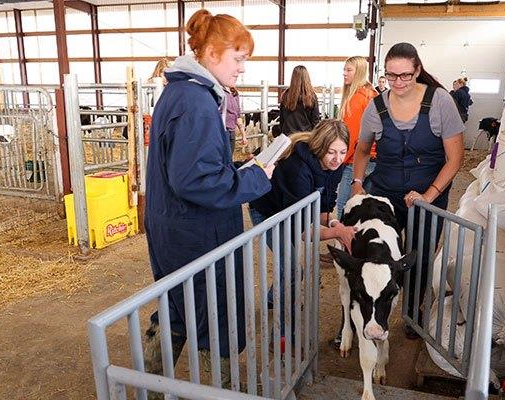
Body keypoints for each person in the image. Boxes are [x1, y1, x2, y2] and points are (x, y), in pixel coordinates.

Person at [143, 9, 275, 390]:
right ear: (212, 53)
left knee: (179, 307)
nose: (242, 69)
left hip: (177, 224)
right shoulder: (196, 102)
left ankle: (150, 385)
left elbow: (190, 165)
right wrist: (252, 179)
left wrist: (235, 167)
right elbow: (196, 181)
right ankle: (218, 391)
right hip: (195, 232)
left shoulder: (183, 92)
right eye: (239, 58)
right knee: (210, 313)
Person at [352, 42, 464, 339]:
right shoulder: (376, 106)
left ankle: (414, 314)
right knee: (376, 250)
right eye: (391, 76)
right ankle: (369, 312)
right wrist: (357, 185)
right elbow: (362, 150)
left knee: (419, 253)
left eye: (405, 76)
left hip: (429, 192)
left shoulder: (440, 101)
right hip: (386, 191)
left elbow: (455, 158)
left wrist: (429, 195)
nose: (398, 82)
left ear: (417, 71)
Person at [249, 119, 356, 341]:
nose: (337, 158)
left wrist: (336, 224)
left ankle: (273, 298)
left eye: (343, 152)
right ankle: (281, 335)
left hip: (291, 213)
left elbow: (325, 205)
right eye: (331, 152)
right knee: (291, 269)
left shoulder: (336, 166)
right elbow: (305, 230)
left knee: (289, 265)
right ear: (319, 148)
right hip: (268, 212)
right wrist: (338, 233)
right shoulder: (298, 170)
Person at [335, 56, 377, 220]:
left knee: (344, 208)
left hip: (355, 162)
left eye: (349, 70)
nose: (344, 74)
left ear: (359, 72)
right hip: (373, 161)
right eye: (344, 70)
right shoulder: (373, 94)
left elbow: (351, 136)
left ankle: (342, 242)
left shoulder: (356, 98)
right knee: (364, 208)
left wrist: (340, 160)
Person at [279, 65, 321, 135]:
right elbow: (315, 121)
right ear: (307, 78)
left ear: (293, 78)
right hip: (305, 137)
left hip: (288, 137)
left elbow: (282, 120)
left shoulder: (285, 95)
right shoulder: (312, 96)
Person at [225, 87, 247, 153]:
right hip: (221, 131)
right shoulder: (218, 91)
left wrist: (244, 136)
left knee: (229, 156)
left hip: (232, 131)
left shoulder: (235, 93)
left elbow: (237, 115)